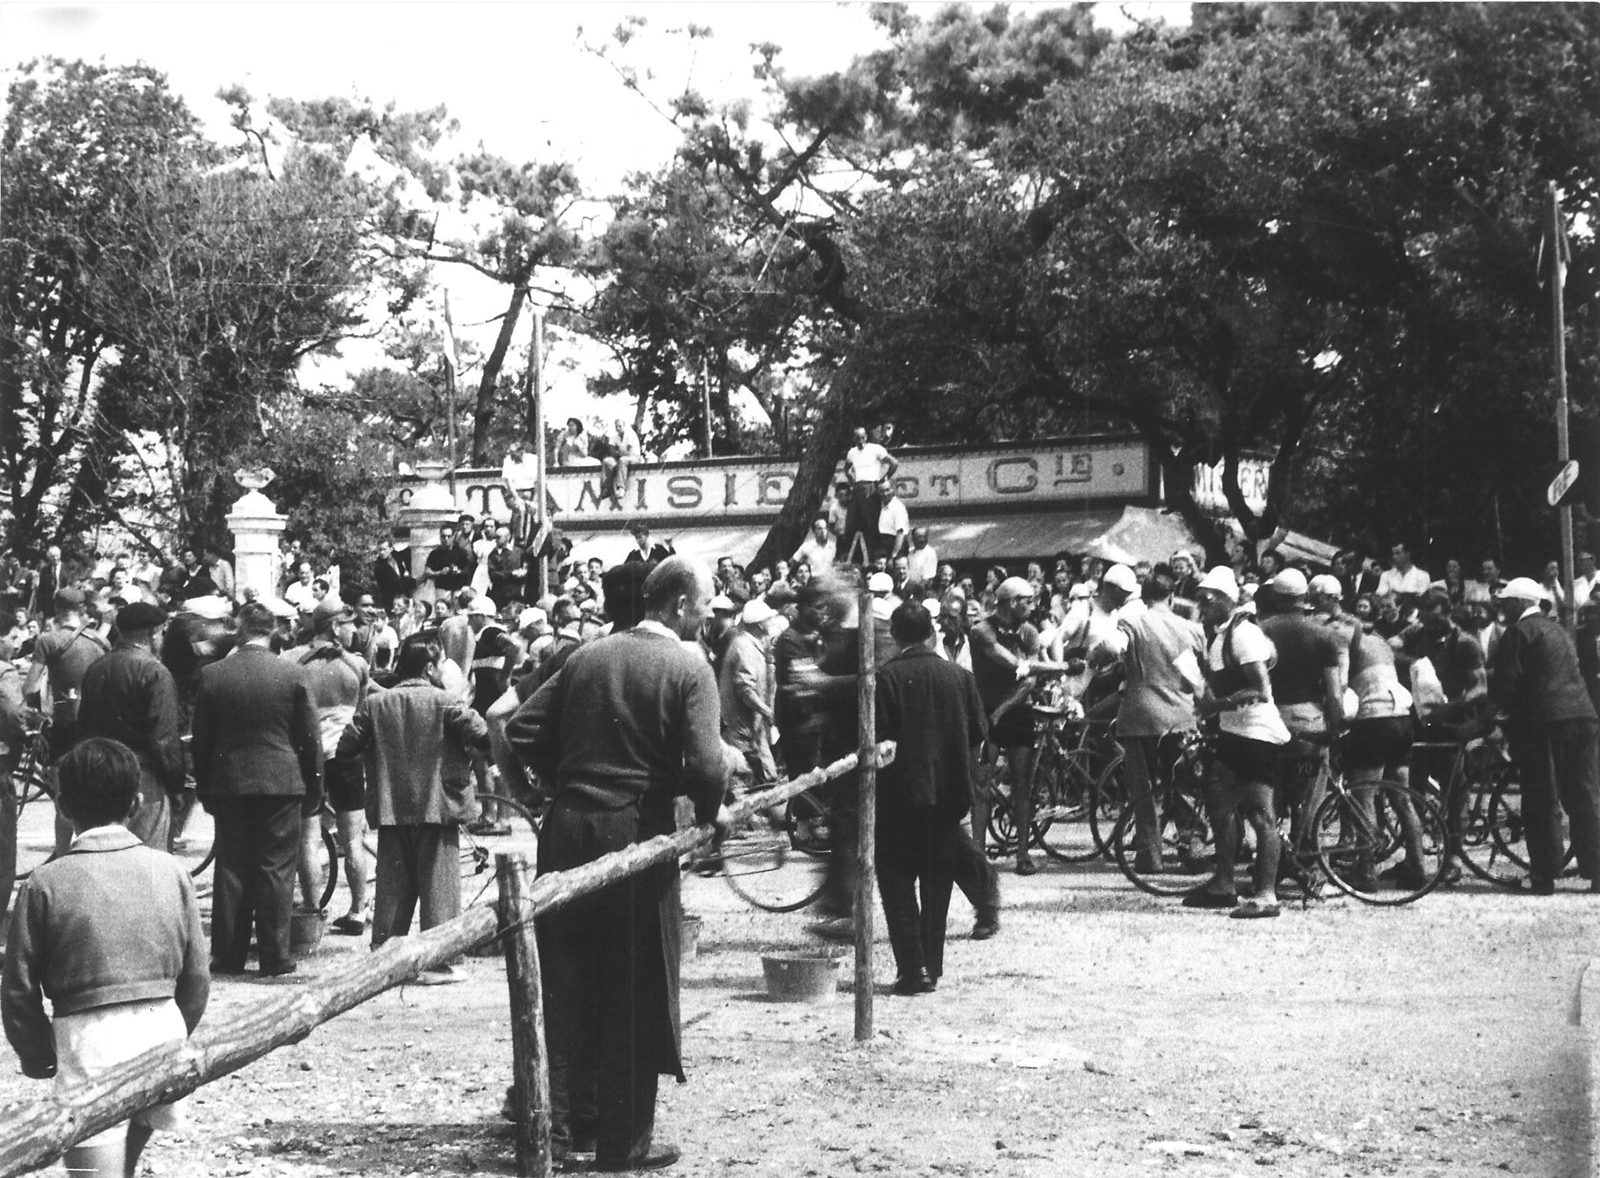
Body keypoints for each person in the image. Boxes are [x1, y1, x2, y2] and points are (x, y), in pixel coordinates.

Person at [507, 556, 731, 1172]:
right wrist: (711, 815)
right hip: (634, 832)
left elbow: (516, 727)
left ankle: (578, 1122)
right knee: (635, 981)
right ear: (680, 606)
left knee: (571, 974)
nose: (709, 619)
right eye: (705, 607)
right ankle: (623, 1143)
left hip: (566, 831)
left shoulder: (586, 655)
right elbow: (710, 766)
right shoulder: (690, 666)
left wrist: (546, 789)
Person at [2, 738, 208, 1178]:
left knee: (94, 1169)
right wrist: (180, 1030)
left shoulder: (44, 882)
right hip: (161, 1026)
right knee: (129, 1147)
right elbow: (196, 976)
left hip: (88, 1036)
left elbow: (18, 988)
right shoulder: (171, 870)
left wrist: (38, 1054)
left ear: (61, 805)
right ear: (135, 803)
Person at [337, 635, 488, 973]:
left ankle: (385, 960)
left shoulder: (376, 704)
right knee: (440, 889)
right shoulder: (447, 701)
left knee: (392, 886)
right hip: (439, 806)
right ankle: (441, 961)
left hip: (392, 808)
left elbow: (346, 747)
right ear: (429, 667)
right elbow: (483, 735)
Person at [191, 602, 323, 977]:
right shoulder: (293, 673)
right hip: (282, 781)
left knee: (231, 867)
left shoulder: (214, 675)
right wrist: (313, 787)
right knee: (277, 868)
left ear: (240, 629)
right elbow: (310, 738)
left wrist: (205, 786)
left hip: (229, 781)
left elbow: (201, 740)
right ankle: (274, 955)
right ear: (274, 631)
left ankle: (227, 955)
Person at [873, 601, 988, 996]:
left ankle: (913, 968)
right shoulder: (960, 677)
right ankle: (932, 966)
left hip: (899, 798)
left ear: (895, 635)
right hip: (949, 796)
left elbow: (878, 741)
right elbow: (977, 732)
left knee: (897, 883)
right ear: (932, 633)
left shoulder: (885, 678)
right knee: (937, 884)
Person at [1185, 566, 1291, 919]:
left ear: (1225, 600)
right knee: (1219, 801)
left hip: (1256, 734)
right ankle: (1223, 884)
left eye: (1206, 599)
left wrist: (1216, 704)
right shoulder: (1220, 636)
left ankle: (1265, 895)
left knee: (1261, 815)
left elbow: (1259, 689)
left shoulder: (1243, 634)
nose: (1201, 605)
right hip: (1235, 733)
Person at [1487, 577, 1600, 893]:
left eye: (1506, 602)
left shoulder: (1519, 632)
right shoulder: (1559, 630)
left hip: (1544, 722)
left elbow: (1505, 688)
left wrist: (1487, 724)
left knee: (1541, 797)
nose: (1501, 608)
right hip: (1583, 715)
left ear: (1521, 603)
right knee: (1585, 796)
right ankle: (1597, 869)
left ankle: (1544, 876)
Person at [288, 598, 373, 935]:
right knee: (353, 838)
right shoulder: (356, 665)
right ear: (336, 626)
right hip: (347, 755)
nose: (355, 630)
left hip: (308, 755)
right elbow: (363, 714)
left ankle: (311, 910)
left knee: (308, 839)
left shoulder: (293, 661)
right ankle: (357, 910)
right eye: (350, 624)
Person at [74, 602, 186, 853]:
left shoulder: (97, 668)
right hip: (142, 776)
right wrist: (176, 786)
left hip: (100, 774)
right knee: (149, 857)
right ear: (154, 633)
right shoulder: (155, 672)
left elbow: (82, 726)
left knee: (103, 856)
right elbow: (164, 739)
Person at [1114, 570, 1206, 874]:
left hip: (1140, 713)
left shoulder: (1131, 622)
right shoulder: (1192, 629)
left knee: (1143, 787)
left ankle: (1149, 855)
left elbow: (1112, 649)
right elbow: (1199, 675)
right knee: (1185, 783)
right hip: (1181, 714)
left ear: (1143, 595)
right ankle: (1190, 845)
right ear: (1171, 595)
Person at [719, 598, 778, 789]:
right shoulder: (744, 647)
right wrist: (767, 711)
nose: (771, 623)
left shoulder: (748, 644)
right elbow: (745, 688)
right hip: (742, 729)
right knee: (756, 779)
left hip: (748, 728)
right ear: (760, 625)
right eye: (768, 620)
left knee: (761, 776)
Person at [841, 426, 897, 563]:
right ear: (853, 439)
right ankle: (852, 558)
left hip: (871, 486)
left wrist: (884, 479)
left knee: (870, 524)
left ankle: (874, 559)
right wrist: (852, 481)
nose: (860, 441)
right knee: (851, 524)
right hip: (858, 487)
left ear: (866, 437)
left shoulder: (875, 449)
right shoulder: (852, 452)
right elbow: (846, 469)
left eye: (862, 437)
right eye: (857, 438)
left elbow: (894, 463)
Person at [876, 477, 910, 561]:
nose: (885, 494)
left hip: (896, 546)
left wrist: (893, 556)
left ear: (893, 489)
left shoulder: (898, 507)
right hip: (883, 546)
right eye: (881, 491)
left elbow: (900, 535)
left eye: (887, 490)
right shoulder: (880, 506)